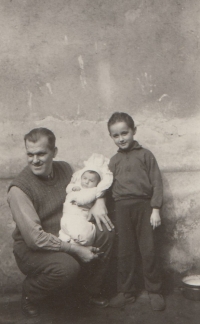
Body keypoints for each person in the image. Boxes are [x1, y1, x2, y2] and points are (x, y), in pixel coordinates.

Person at [7, 128, 115, 317]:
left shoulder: (65, 169)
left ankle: (87, 291)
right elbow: (35, 239)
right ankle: (30, 293)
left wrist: (100, 201)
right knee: (67, 267)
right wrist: (76, 250)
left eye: (41, 153)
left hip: (65, 234)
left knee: (106, 230)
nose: (35, 160)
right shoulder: (19, 189)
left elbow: (90, 186)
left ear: (54, 152)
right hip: (34, 249)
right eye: (30, 154)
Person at [107, 112, 165, 311]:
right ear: (111, 137)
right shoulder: (113, 161)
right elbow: (105, 187)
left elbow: (157, 182)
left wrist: (155, 208)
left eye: (125, 133)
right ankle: (126, 292)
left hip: (144, 207)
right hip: (121, 209)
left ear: (134, 131)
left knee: (148, 250)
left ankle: (155, 290)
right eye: (116, 135)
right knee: (124, 252)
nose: (121, 138)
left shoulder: (146, 155)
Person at [59, 153, 113, 246]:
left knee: (82, 233)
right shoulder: (77, 185)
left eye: (91, 181)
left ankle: (75, 242)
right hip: (68, 213)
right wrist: (72, 188)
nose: (86, 182)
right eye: (84, 178)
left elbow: (86, 199)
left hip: (80, 215)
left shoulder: (93, 190)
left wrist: (77, 200)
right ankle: (65, 238)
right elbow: (68, 188)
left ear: (97, 183)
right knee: (65, 227)